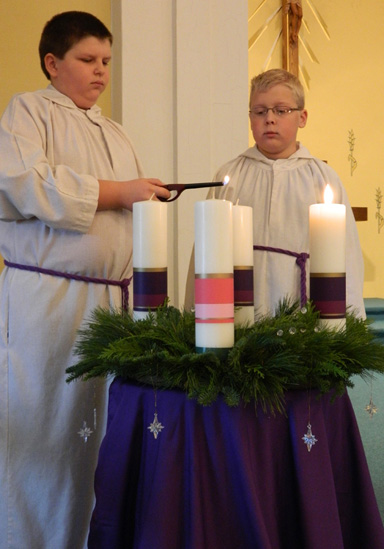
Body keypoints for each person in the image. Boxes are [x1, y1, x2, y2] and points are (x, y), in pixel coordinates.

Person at [0, 11, 170, 549]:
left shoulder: (113, 132)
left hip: (111, 303)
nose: (101, 72)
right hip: (48, 303)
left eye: (107, 62)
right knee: (51, 436)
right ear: (53, 63)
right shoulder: (27, 112)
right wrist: (119, 193)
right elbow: (26, 184)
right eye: (88, 60)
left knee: (102, 441)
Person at [185, 68, 365, 320]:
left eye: (281, 111)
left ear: (302, 117)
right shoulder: (230, 176)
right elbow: (206, 254)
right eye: (260, 112)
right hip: (237, 315)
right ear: (250, 118)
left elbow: (347, 258)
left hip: (304, 315)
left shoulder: (323, 178)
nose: (269, 119)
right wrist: (196, 320)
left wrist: (349, 330)